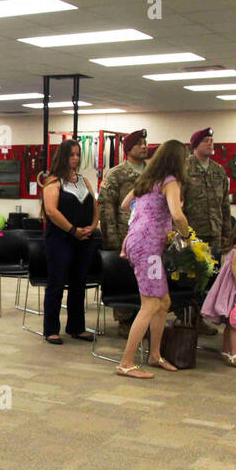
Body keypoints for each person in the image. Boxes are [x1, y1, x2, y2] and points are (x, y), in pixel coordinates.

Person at [115, 139, 190, 379]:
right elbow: (178, 215)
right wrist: (186, 236)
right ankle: (126, 363)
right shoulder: (170, 181)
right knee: (150, 304)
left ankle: (155, 355)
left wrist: (149, 214)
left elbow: (125, 205)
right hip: (148, 247)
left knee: (163, 301)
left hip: (139, 242)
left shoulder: (147, 180)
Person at [39, 139, 97, 344]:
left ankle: (76, 327)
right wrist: (72, 230)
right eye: (72, 154)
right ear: (63, 156)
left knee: (78, 283)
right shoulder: (53, 182)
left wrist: (92, 225)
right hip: (60, 240)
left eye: (78, 154)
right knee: (56, 283)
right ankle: (51, 329)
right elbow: (51, 211)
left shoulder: (83, 180)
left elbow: (94, 204)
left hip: (84, 239)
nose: (75, 158)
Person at [97, 129, 149, 338]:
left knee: (146, 279)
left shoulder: (153, 172)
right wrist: (112, 240)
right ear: (129, 149)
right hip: (124, 235)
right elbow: (107, 207)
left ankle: (144, 317)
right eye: (139, 144)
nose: (144, 147)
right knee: (126, 278)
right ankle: (125, 319)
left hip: (149, 236)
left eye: (145, 143)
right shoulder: (116, 174)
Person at [183, 127, 232, 336]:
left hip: (214, 232)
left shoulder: (218, 171)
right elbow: (178, 203)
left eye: (212, 140)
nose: (210, 144)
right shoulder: (184, 168)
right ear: (195, 145)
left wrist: (227, 233)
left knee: (210, 278)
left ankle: (202, 318)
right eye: (206, 141)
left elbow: (224, 205)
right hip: (192, 234)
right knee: (190, 279)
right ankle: (186, 318)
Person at [201, 220, 236, 369]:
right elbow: (235, 267)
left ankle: (227, 350)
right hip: (235, 290)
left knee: (231, 322)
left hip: (229, 288)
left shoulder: (232, 248)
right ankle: (234, 352)